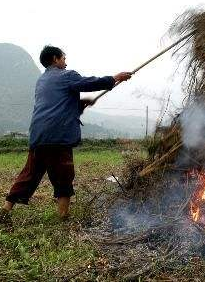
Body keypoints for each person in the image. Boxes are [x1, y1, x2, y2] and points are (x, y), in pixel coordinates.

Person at [0, 45, 132, 227]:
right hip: (58, 137)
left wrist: (79, 105)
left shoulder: (42, 81)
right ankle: (63, 216)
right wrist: (115, 78)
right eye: (63, 58)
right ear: (55, 59)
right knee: (63, 175)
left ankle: (6, 209)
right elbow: (89, 83)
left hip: (39, 136)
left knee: (29, 174)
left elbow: (55, 106)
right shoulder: (66, 75)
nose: (66, 62)